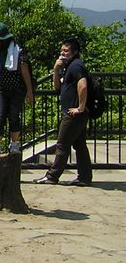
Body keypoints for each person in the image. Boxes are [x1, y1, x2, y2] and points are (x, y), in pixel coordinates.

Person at [36, 38, 92, 186]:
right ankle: (84, 177)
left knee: (62, 145)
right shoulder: (69, 67)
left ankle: (52, 176)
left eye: (66, 51)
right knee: (79, 146)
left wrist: (80, 107)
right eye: (62, 50)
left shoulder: (76, 66)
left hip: (73, 114)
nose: (62, 53)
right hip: (75, 113)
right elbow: (57, 87)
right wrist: (56, 69)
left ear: (75, 52)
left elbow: (83, 85)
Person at [0, 22, 34, 158]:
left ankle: (14, 144)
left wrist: (29, 92)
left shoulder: (18, 51)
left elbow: (25, 73)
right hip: (1, 89)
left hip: (17, 89)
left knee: (13, 117)